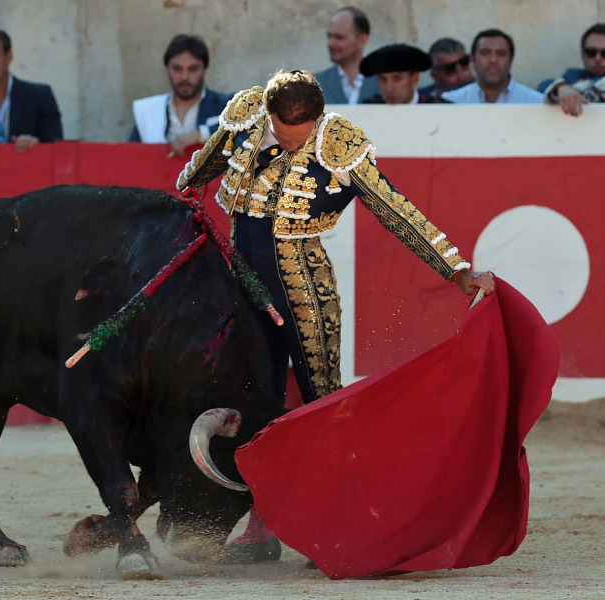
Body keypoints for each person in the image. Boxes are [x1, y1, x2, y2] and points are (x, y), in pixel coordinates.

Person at [175, 69, 495, 563]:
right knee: (252, 405)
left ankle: (338, 523)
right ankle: (263, 528)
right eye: (280, 134)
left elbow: (394, 210)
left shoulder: (340, 144)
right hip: (242, 287)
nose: (286, 144)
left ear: (319, 121)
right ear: (268, 112)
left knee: (323, 406)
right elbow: (196, 174)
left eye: (297, 138)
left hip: (304, 291)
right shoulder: (245, 115)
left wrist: (455, 269)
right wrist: (184, 199)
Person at [129, 34, 232, 157]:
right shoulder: (149, 111)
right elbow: (131, 158)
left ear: (204, 69)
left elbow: (252, 129)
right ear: (167, 70)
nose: (184, 77)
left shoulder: (225, 105)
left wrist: (201, 134)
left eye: (193, 69)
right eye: (177, 68)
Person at [442, 29, 543, 104]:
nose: (493, 60)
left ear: (511, 62)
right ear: (473, 60)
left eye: (501, 54)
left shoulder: (537, 102)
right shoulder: (451, 101)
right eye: (485, 53)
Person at [313, 7, 379, 104]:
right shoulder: (314, 85)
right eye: (329, 36)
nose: (330, 44)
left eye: (339, 37)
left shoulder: (383, 83)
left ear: (362, 40)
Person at [539, 23, 605, 117]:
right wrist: (561, 87)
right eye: (591, 52)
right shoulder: (573, 77)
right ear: (582, 53)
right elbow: (542, 87)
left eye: (604, 53)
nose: (598, 58)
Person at [359, 44, 450, 104]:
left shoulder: (438, 107)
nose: (389, 88)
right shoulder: (368, 108)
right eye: (383, 79)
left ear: (414, 78)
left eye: (397, 79)